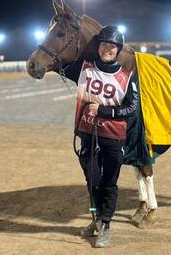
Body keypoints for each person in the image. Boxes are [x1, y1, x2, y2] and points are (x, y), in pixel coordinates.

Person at [64, 25, 138, 248]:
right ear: (98, 46)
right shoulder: (83, 68)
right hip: (88, 135)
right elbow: (61, 55)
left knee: (108, 183)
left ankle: (105, 224)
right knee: (92, 181)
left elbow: (131, 108)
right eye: (105, 44)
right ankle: (96, 219)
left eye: (112, 46)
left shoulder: (127, 76)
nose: (108, 49)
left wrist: (105, 111)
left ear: (118, 50)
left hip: (113, 138)